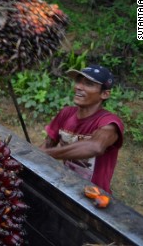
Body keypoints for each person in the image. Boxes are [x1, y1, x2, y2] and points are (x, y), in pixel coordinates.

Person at [40, 65, 124, 194]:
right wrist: (33, 156)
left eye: (89, 84)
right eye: (78, 81)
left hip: (94, 194)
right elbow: (47, 144)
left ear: (105, 94)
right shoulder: (65, 113)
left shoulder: (109, 123)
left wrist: (48, 154)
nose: (78, 87)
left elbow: (96, 146)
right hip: (66, 185)